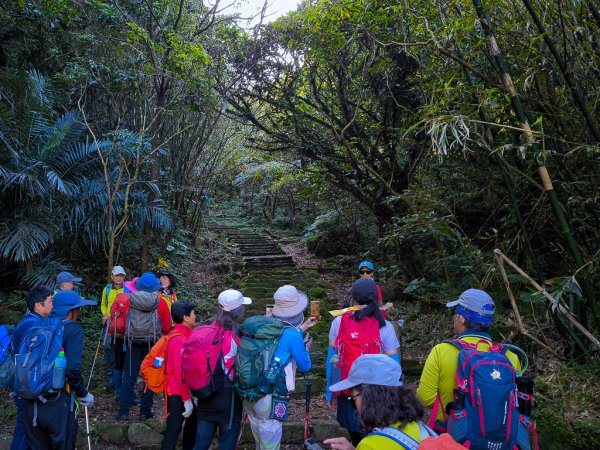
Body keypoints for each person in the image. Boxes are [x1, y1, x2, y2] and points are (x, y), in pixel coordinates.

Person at [416, 289, 521, 431]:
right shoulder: (510, 357)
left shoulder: (441, 351)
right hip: (497, 436)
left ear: (462, 319)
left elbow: (425, 397)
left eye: (455, 314)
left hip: (451, 433)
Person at [15, 289, 96, 450]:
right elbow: (72, 369)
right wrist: (83, 393)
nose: (79, 312)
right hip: (58, 403)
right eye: (78, 308)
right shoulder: (73, 329)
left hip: (32, 403)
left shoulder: (36, 325)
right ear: (70, 311)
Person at [327, 278, 400, 446]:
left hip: (349, 390)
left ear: (353, 300)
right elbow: (394, 364)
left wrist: (330, 390)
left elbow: (333, 359)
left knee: (355, 435)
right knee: (376, 435)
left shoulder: (339, 322)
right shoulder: (385, 326)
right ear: (376, 300)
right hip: (377, 392)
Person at [246, 285, 317, 450]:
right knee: (270, 442)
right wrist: (305, 348)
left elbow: (283, 339)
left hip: (252, 392)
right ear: (297, 312)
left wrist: (302, 328)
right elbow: (305, 366)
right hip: (271, 395)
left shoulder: (264, 326)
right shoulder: (292, 335)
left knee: (259, 440)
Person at [324, 354, 435, 450]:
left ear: (369, 398)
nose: (356, 407)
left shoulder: (371, 445)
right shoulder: (420, 428)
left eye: (353, 398)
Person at [193, 289, 252, 450]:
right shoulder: (237, 334)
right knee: (227, 442)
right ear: (238, 310)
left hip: (205, 391)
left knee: (201, 443)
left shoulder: (206, 327)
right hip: (229, 397)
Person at [117, 272, 172, 421]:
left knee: (129, 376)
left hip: (132, 342)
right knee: (151, 376)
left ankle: (123, 411)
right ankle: (144, 411)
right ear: (155, 287)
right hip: (153, 345)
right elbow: (167, 327)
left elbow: (123, 323)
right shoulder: (161, 303)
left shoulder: (130, 300)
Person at [10, 286, 55, 450]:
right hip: (27, 388)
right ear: (38, 305)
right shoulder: (33, 327)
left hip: (24, 385)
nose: (53, 305)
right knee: (24, 433)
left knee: (30, 432)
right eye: (50, 302)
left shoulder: (28, 322)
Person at [161, 302, 198, 450]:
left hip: (176, 391)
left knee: (192, 420)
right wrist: (186, 399)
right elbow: (180, 372)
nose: (195, 316)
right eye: (193, 313)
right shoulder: (179, 340)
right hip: (176, 392)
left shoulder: (178, 333)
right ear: (185, 317)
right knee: (173, 430)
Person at [100, 265, 130, 390]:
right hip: (109, 322)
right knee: (108, 347)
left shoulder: (127, 290)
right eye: (117, 275)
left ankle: (121, 374)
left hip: (122, 324)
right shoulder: (107, 289)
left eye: (121, 275)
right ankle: (111, 373)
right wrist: (105, 314)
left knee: (121, 347)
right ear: (112, 277)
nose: (119, 278)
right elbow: (103, 304)